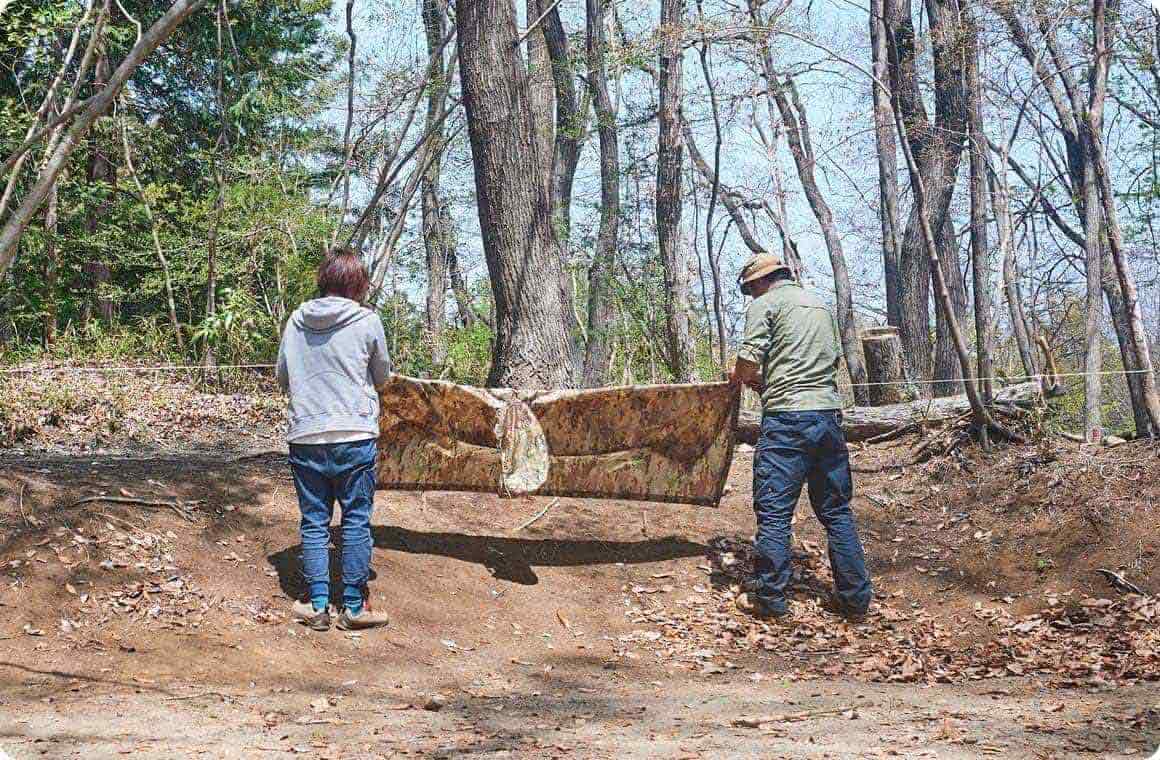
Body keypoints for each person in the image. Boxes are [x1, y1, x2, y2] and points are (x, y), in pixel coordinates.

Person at [729, 254, 873, 621]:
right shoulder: (819, 306)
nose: (750, 296)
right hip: (827, 418)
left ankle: (770, 600)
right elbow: (826, 362)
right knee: (837, 511)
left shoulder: (766, 304)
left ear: (760, 282)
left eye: (750, 289)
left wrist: (739, 378)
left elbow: (749, 359)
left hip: (786, 421)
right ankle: (855, 600)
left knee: (774, 511)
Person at [276, 247, 392, 631]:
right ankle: (355, 608)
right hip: (355, 434)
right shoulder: (367, 321)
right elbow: (382, 377)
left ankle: (317, 605)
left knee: (314, 521)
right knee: (356, 520)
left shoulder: (296, 320)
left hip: (306, 434)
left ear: (323, 280)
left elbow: (283, 377)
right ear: (358, 284)